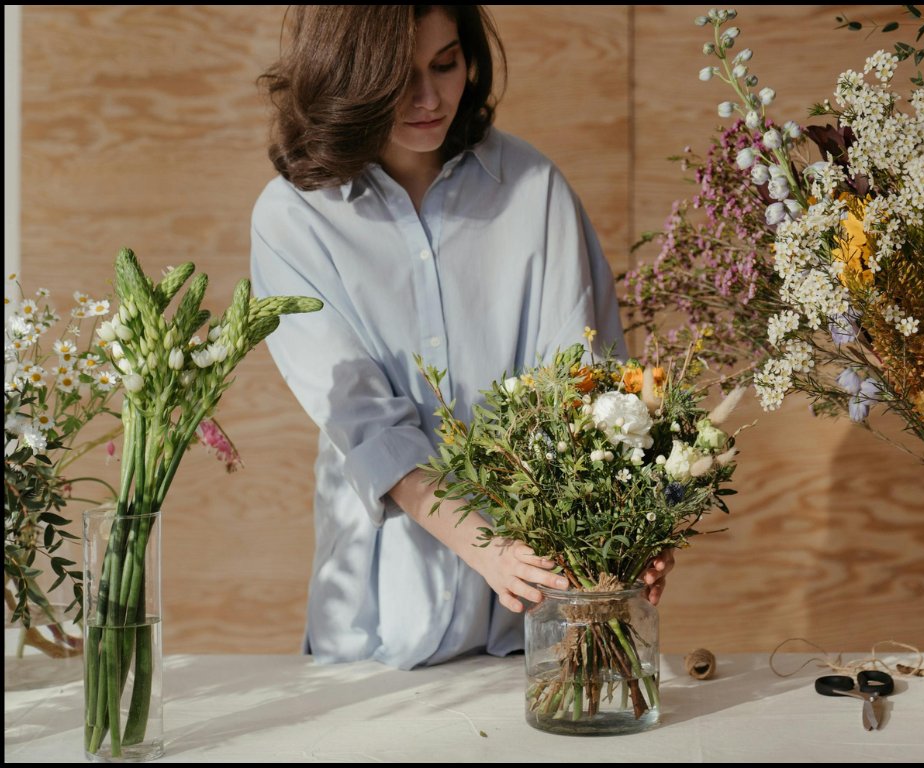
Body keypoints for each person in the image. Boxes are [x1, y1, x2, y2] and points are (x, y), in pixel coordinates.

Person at [250, 5, 673, 670]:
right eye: (399, 78)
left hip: (533, 624)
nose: (429, 98)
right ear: (351, 77)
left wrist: (629, 532)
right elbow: (370, 430)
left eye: (445, 65)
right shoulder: (293, 219)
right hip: (379, 629)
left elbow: (591, 394)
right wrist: (490, 551)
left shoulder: (534, 191)